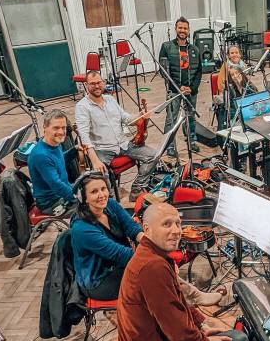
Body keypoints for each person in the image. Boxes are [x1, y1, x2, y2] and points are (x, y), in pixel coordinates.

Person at [117, 201, 247, 341]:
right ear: (146, 230)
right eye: (167, 224)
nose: (176, 230)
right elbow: (177, 331)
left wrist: (203, 324)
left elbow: (177, 302)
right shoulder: (153, 268)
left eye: (178, 223)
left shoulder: (152, 256)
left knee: (221, 334)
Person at [75, 71, 158, 203]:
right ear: (86, 85)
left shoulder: (110, 100)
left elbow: (126, 118)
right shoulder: (82, 107)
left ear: (103, 83)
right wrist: (95, 160)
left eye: (99, 82)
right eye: (92, 84)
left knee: (154, 155)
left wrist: (140, 116)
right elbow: (83, 135)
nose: (97, 86)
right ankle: (111, 202)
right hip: (102, 149)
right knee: (101, 177)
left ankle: (137, 188)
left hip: (123, 144)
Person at [70, 171, 143, 301]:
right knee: (151, 280)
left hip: (118, 265)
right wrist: (155, 257)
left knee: (156, 276)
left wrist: (147, 240)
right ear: (83, 198)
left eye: (103, 189)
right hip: (99, 281)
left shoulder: (110, 205)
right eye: (94, 192)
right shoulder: (82, 228)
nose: (101, 195)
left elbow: (132, 228)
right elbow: (120, 254)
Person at [158, 17, 203, 156]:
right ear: (176, 29)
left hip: (191, 91)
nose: (182, 30)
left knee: (191, 117)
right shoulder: (166, 47)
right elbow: (163, 71)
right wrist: (178, 87)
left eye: (185, 28)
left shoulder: (194, 49)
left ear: (189, 31)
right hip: (174, 91)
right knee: (171, 119)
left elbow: (199, 71)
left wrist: (192, 88)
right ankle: (169, 146)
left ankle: (192, 141)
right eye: (180, 28)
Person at [28, 109, 75, 214]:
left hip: (61, 191)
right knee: (93, 209)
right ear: (45, 127)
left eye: (63, 128)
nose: (61, 132)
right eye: (56, 128)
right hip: (51, 202)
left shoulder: (54, 144)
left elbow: (58, 161)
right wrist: (78, 198)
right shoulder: (41, 155)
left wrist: (75, 150)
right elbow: (56, 185)